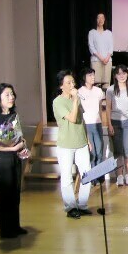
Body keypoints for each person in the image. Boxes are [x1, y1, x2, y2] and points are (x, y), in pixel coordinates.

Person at [0, 83, 28, 238]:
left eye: (12, 94)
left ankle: (15, 226)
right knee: (5, 196)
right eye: (7, 95)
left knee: (15, 194)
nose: (11, 97)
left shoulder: (13, 115)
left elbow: (18, 136)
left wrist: (22, 144)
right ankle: (5, 230)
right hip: (3, 161)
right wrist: (12, 149)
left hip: (15, 159)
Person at [52, 70, 93, 219]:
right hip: (66, 145)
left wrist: (87, 139)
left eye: (73, 82)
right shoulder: (58, 102)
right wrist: (75, 99)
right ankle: (70, 207)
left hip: (81, 142)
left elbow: (81, 120)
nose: (72, 85)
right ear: (61, 86)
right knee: (67, 177)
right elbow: (72, 118)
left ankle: (82, 205)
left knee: (87, 175)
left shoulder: (77, 99)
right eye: (68, 83)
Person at [105, 64, 128, 187]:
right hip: (115, 122)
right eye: (119, 73)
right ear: (115, 76)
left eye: (124, 73)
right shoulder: (110, 90)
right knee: (118, 150)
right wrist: (109, 124)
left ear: (127, 74)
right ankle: (119, 176)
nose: (121, 76)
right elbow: (108, 108)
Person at [78, 67, 105, 185]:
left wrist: (102, 122)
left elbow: (100, 107)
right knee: (92, 152)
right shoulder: (79, 92)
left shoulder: (98, 91)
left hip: (97, 123)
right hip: (86, 124)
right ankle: (93, 178)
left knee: (99, 151)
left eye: (93, 75)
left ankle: (99, 176)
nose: (92, 77)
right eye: (90, 75)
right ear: (84, 77)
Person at [88, 12, 113, 90]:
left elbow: (111, 47)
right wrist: (101, 58)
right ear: (96, 20)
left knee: (106, 84)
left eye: (102, 18)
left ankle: (105, 98)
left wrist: (107, 58)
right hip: (96, 61)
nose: (100, 20)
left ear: (104, 20)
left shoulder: (109, 33)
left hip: (107, 61)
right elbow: (91, 47)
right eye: (98, 18)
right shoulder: (92, 32)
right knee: (96, 83)